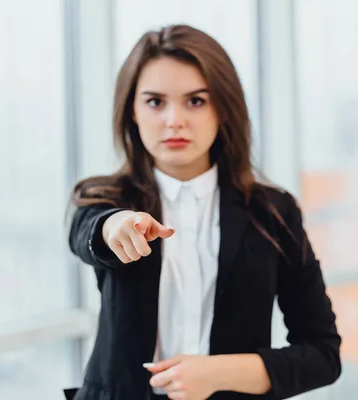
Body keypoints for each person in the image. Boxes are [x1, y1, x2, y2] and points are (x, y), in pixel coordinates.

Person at [66, 24, 341, 400]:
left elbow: (322, 354)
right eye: (155, 102)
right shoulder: (104, 199)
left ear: (223, 109)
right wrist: (115, 226)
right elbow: (89, 232)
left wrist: (221, 372)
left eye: (196, 101)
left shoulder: (274, 213)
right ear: (132, 111)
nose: (174, 120)